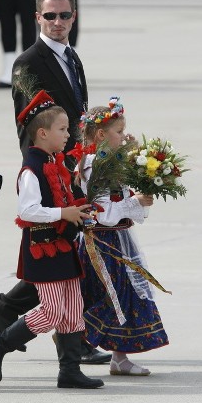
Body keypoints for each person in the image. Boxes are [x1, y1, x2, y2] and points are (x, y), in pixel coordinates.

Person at [0, 0, 111, 365]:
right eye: (50, 16)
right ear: (37, 17)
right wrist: (60, 169)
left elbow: (78, 116)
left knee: (67, 256)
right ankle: (69, 339)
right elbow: (35, 123)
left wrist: (92, 153)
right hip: (48, 170)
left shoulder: (72, 57)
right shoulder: (27, 64)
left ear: (74, 16)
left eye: (65, 15)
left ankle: (9, 309)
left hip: (71, 166)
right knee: (63, 255)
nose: (57, 22)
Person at [0, 90, 103, 389]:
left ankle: (70, 370)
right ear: (43, 132)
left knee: (73, 309)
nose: (68, 135)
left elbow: (65, 200)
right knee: (50, 312)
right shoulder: (31, 169)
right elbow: (28, 210)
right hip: (43, 249)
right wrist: (64, 212)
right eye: (62, 129)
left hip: (63, 248)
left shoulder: (56, 162)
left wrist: (82, 210)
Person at [74, 100, 168, 376]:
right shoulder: (93, 166)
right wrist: (134, 203)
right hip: (101, 244)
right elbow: (103, 213)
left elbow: (122, 201)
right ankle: (71, 342)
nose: (125, 135)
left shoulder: (110, 162)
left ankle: (120, 357)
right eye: (119, 131)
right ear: (101, 135)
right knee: (109, 298)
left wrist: (139, 199)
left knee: (127, 296)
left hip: (119, 240)